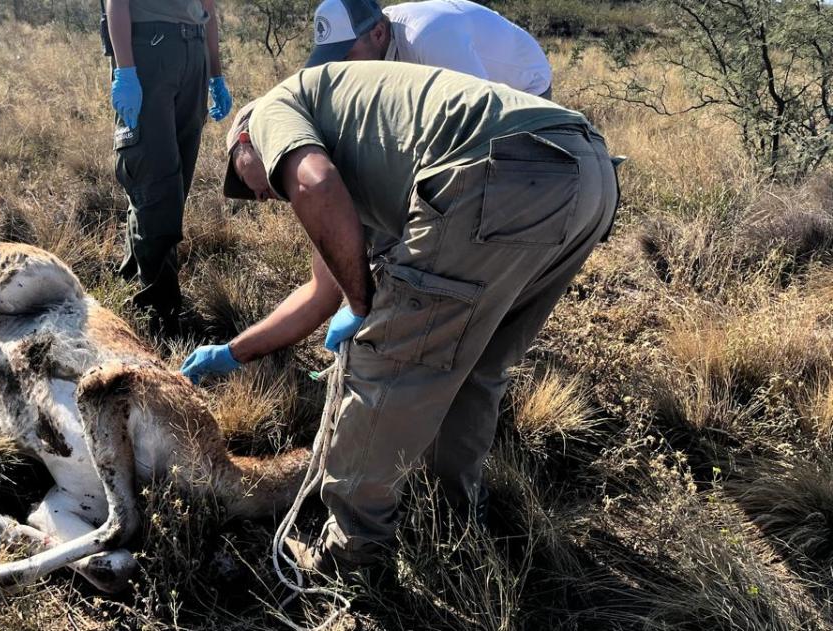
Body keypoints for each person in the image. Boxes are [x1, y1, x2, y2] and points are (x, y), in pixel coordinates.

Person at [179, 61, 617, 573]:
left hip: (496, 175)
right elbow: (324, 289)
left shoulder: (276, 108)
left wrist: (365, 309)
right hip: (587, 175)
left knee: (384, 371)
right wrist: (234, 353)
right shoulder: (362, 147)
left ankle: (351, 553)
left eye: (245, 178)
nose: (258, 195)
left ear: (246, 139)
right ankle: (450, 520)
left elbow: (314, 186)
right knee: (475, 368)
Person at [105, 0, 233, 334]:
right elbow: (116, 4)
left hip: (193, 52)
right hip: (149, 51)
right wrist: (126, 71)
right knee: (156, 184)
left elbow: (208, 9)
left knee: (175, 186)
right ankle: (161, 313)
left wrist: (215, 73)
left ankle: (134, 278)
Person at [306, 0, 553, 99]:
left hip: (524, 85)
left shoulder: (428, 38)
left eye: (346, 56)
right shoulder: (382, 42)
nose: (341, 68)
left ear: (378, 33)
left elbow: (481, 108)